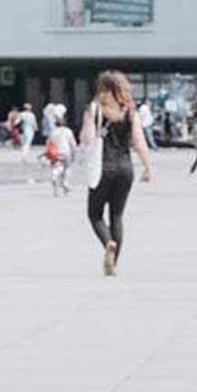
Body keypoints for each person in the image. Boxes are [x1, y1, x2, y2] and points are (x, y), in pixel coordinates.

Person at [80, 70, 152, 275]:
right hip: (125, 168)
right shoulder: (130, 112)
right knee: (117, 216)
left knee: (94, 214)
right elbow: (138, 142)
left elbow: (87, 138)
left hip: (103, 167)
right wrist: (147, 166)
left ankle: (108, 244)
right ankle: (114, 263)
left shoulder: (94, 109)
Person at [46, 114, 76, 195]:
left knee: (56, 167)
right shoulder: (68, 131)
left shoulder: (53, 132)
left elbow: (48, 143)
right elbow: (73, 143)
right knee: (67, 168)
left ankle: (55, 177)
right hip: (66, 152)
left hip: (55, 153)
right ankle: (65, 182)